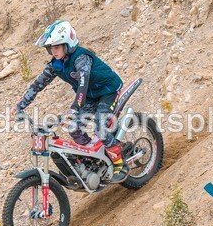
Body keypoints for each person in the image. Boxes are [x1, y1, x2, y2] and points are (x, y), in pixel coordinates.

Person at [11, 20, 129, 183]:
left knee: (101, 127)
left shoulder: (81, 58)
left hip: (108, 91)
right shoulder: (56, 64)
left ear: (68, 44)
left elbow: (83, 82)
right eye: (51, 48)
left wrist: (75, 108)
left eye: (57, 47)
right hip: (89, 97)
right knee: (73, 128)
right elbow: (38, 84)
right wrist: (19, 106)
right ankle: (95, 157)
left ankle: (120, 164)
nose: (54, 51)